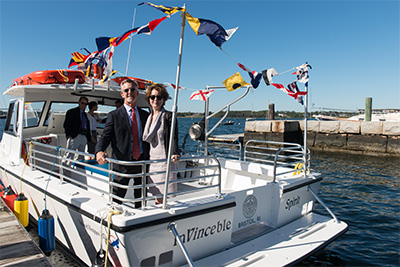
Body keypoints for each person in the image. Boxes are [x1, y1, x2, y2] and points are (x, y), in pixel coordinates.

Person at [95, 79, 150, 207]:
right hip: (122, 163)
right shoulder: (113, 115)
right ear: (122, 94)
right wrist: (99, 151)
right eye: (126, 90)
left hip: (141, 162)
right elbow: (105, 137)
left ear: (137, 93)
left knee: (141, 199)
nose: (129, 92)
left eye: (132, 90)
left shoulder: (145, 115)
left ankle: (139, 220)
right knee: (117, 199)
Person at [142, 83, 180, 204]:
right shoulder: (148, 117)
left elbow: (174, 136)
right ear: (149, 99)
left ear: (163, 99)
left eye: (159, 97)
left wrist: (175, 152)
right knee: (154, 192)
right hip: (152, 161)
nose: (155, 100)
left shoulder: (168, 116)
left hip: (164, 160)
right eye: (153, 97)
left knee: (163, 195)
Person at [63, 96, 91, 161]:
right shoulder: (71, 112)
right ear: (79, 103)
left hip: (83, 136)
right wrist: (69, 135)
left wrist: (88, 136)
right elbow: (66, 124)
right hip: (75, 135)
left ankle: (78, 169)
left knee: (81, 155)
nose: (84, 105)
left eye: (86, 104)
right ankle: (65, 169)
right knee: (70, 154)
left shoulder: (85, 114)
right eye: (82, 103)